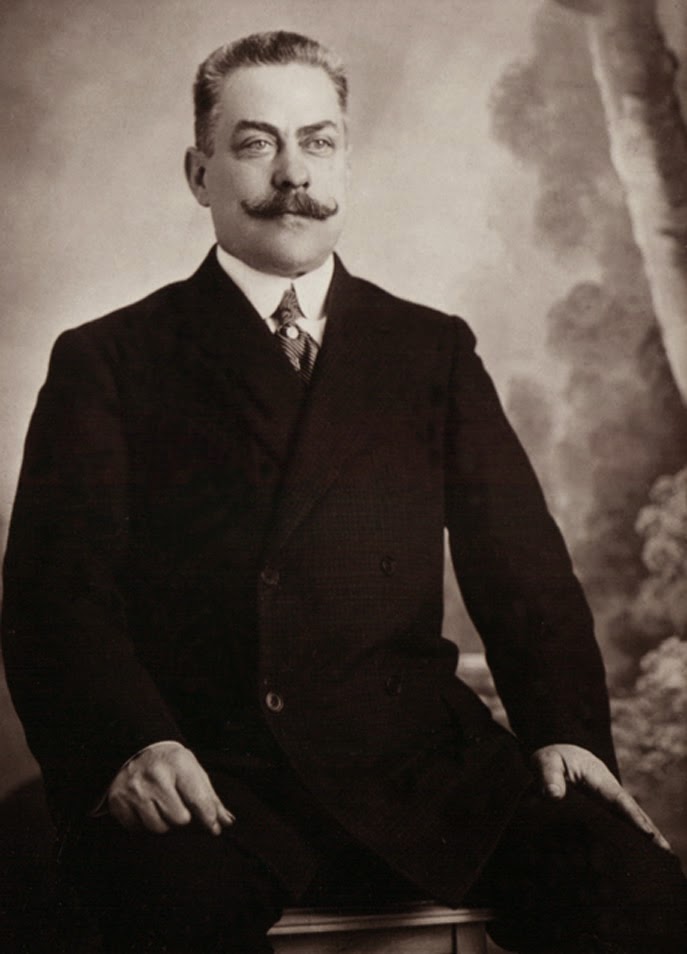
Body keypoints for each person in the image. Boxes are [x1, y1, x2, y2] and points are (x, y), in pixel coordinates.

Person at [2, 30, 685, 954]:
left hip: (421, 768)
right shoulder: (110, 359)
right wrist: (133, 745)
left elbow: (523, 574)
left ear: (345, 164)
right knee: (143, 911)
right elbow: (55, 596)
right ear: (199, 173)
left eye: (316, 142)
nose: (292, 174)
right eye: (255, 144)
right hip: (213, 771)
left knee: (632, 888)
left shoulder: (430, 349)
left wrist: (565, 733)